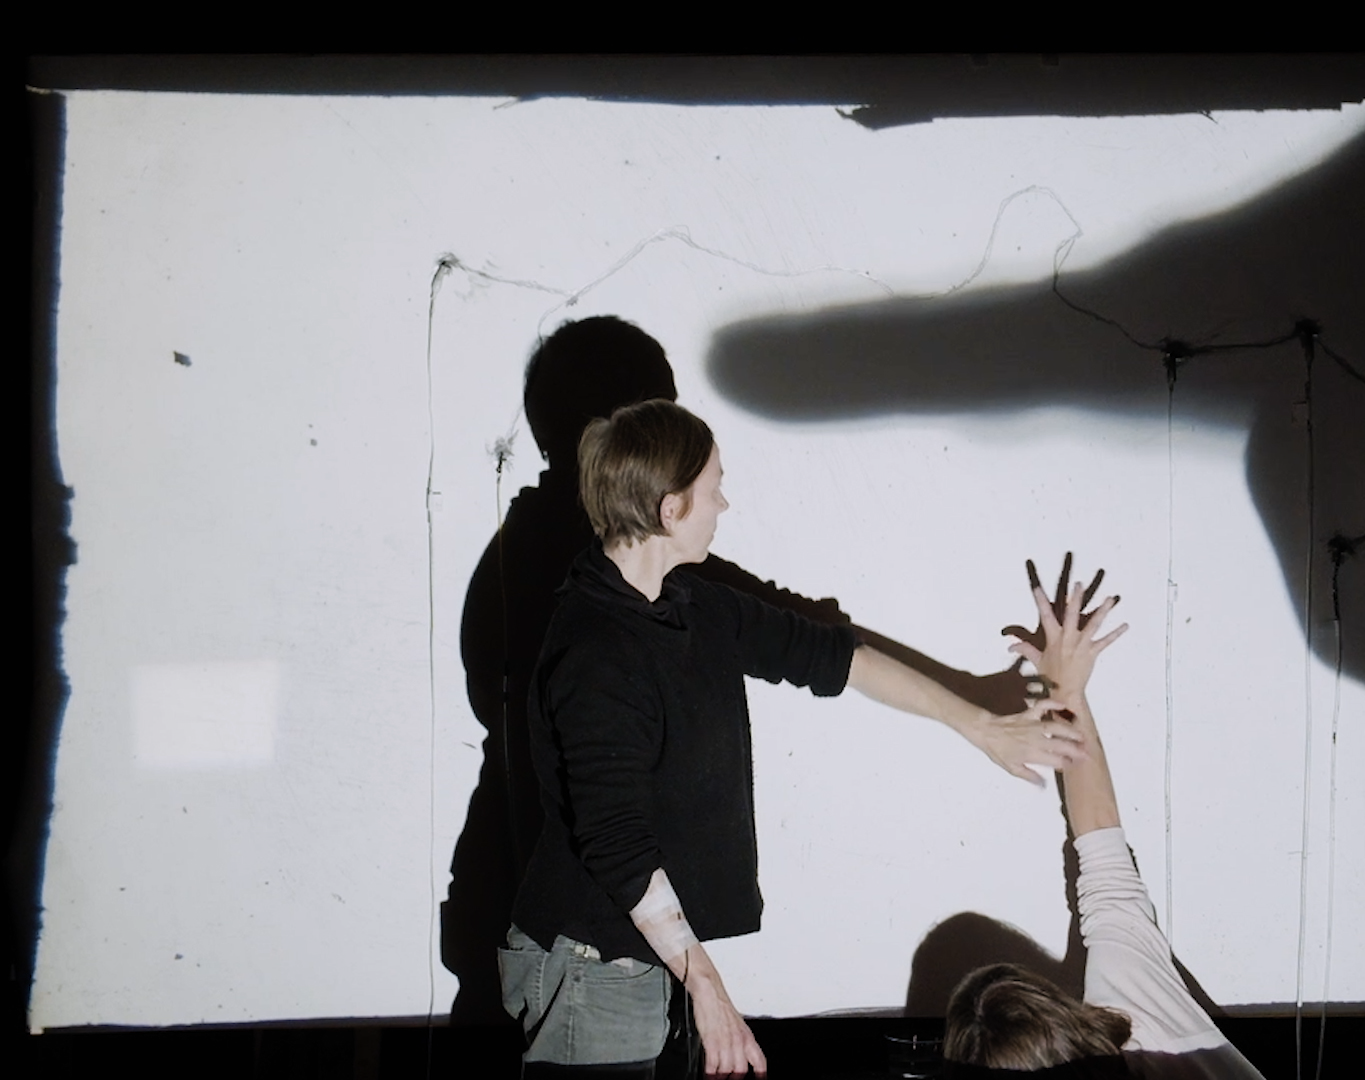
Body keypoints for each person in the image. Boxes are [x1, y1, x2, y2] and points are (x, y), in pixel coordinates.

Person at [501, 399, 1088, 1077]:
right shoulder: (597, 651)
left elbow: (836, 658)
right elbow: (617, 845)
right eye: (714, 489)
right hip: (590, 964)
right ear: (671, 509)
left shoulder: (693, 607)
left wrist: (982, 724)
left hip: (644, 955)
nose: (724, 504)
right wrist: (706, 986)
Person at [943, 581, 1267, 1079]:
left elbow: (1104, 859)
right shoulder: (1141, 1018)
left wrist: (1065, 693)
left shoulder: (1137, 1015)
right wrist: (1065, 691)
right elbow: (1102, 849)